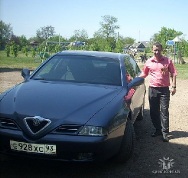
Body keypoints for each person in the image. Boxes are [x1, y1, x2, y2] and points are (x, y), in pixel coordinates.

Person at [139, 42, 177, 142]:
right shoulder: (149, 62)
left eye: (158, 50)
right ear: (152, 50)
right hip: (153, 89)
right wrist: (134, 80)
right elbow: (144, 73)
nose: (157, 52)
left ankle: (165, 133)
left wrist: (173, 86)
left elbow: (173, 73)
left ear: (162, 50)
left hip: (164, 90)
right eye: (155, 50)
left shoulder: (167, 61)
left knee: (164, 111)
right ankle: (158, 130)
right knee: (153, 111)